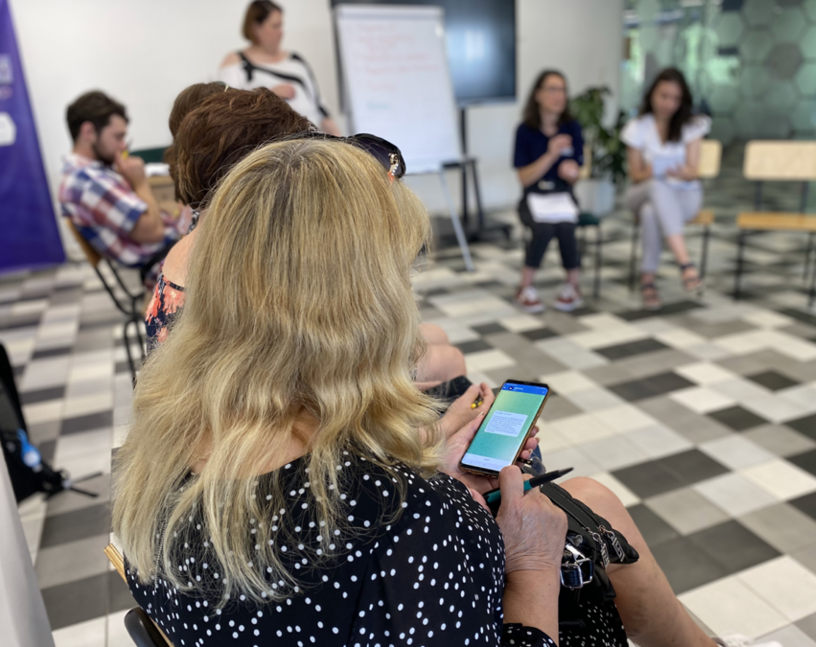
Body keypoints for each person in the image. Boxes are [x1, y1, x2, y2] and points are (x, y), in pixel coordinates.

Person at [114, 137, 769, 647]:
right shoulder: (413, 526)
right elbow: (382, 553)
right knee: (577, 519)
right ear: (360, 303)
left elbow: (320, 518)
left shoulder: (161, 447)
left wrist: (423, 456)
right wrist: (534, 567)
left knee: (589, 500)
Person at [145, 87, 473, 418]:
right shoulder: (248, 257)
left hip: (218, 389)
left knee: (434, 336)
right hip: (250, 407)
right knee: (448, 360)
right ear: (257, 175)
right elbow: (314, 355)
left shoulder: (204, 235)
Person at [59, 91, 180, 289]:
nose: (123, 146)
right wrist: (140, 183)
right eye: (118, 136)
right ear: (88, 132)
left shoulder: (87, 174)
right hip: (164, 266)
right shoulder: (88, 181)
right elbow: (154, 232)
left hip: (167, 255)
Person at [622, 68, 711, 310]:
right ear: (652, 94)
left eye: (675, 98)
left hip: (685, 194)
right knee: (656, 188)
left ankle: (648, 282)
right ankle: (685, 263)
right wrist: (650, 172)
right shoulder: (638, 127)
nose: (669, 103)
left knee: (652, 212)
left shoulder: (692, 125)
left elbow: (694, 170)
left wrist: (684, 172)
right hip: (642, 191)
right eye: (664, 96)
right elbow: (635, 175)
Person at [513, 70, 586, 314]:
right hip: (533, 198)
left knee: (566, 227)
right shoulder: (525, 131)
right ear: (538, 94)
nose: (559, 95)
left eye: (563, 90)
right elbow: (524, 178)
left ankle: (573, 286)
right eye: (553, 89)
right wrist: (551, 154)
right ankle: (525, 286)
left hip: (563, 196)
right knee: (543, 228)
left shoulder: (572, 128)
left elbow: (578, 169)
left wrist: (572, 171)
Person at [218, 0, 340, 135]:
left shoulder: (295, 60)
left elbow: (320, 108)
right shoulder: (236, 62)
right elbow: (228, 114)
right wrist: (269, 96)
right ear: (256, 28)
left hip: (314, 140)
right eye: (275, 26)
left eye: (281, 26)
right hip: (272, 148)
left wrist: (342, 142)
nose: (281, 32)